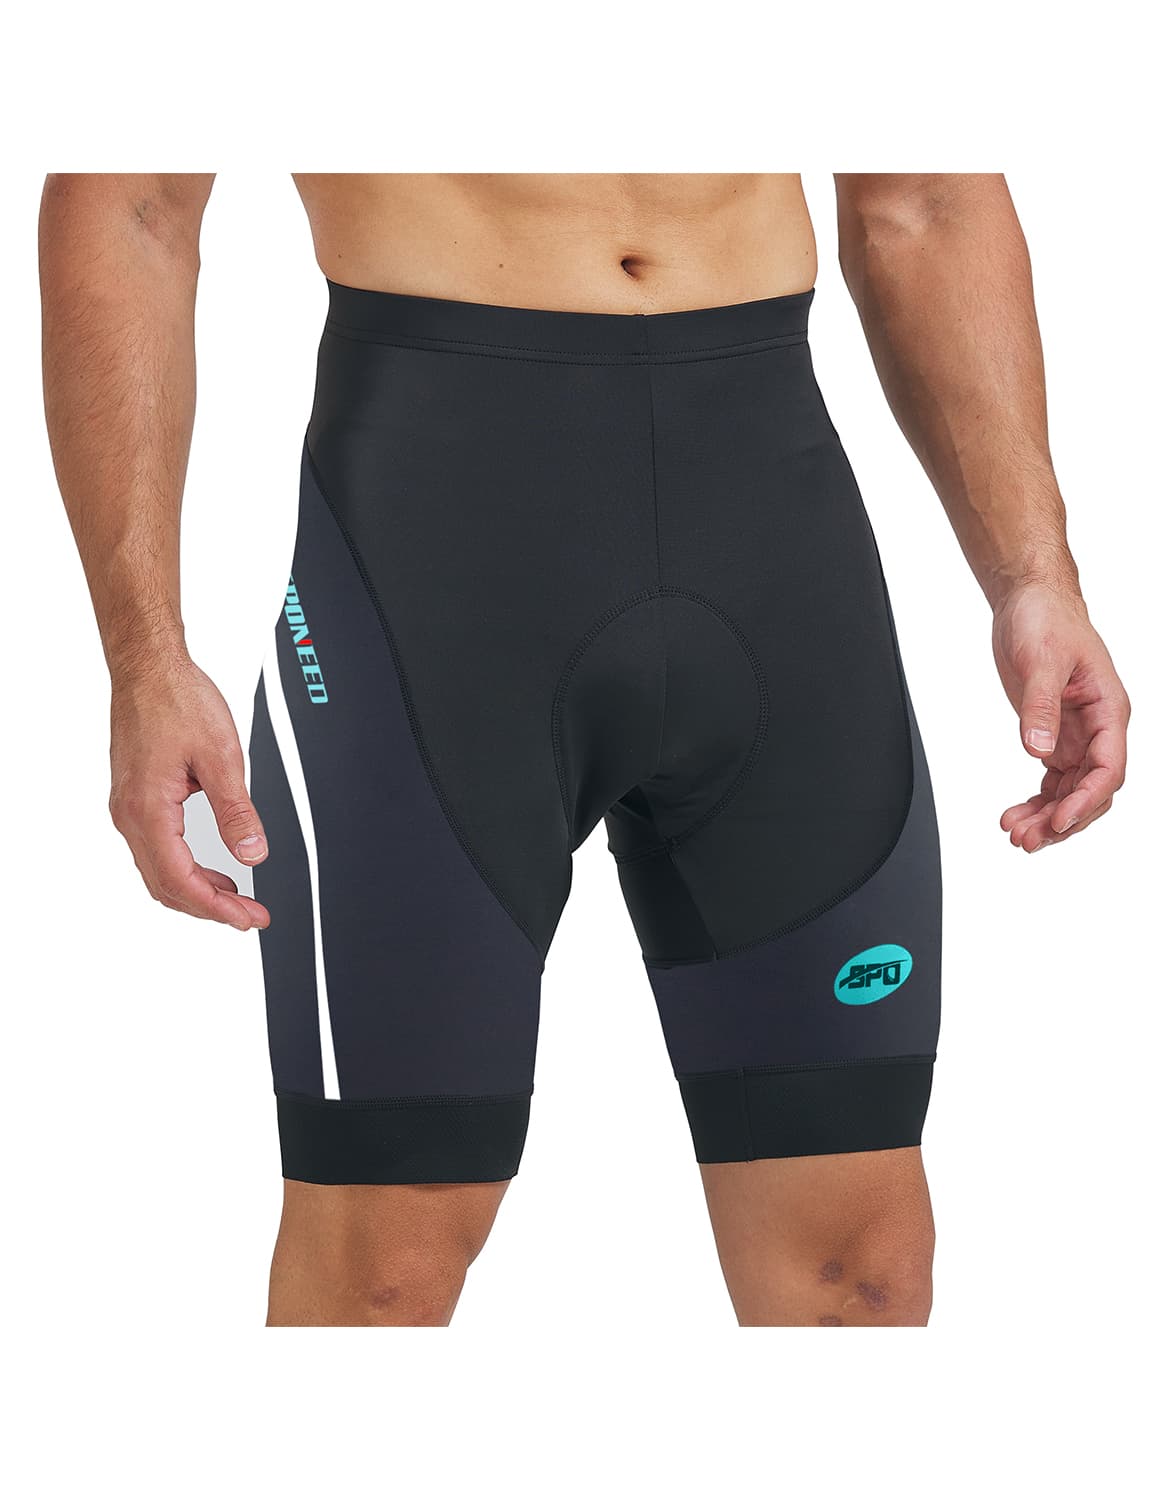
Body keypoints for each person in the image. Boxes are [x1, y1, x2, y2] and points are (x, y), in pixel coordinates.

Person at [39, 173, 1129, 1327]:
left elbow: (922, 201)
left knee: (861, 1281)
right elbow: (131, 204)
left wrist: (1032, 576)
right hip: (434, 553)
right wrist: (143, 659)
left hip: (772, 529)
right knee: (383, 1275)